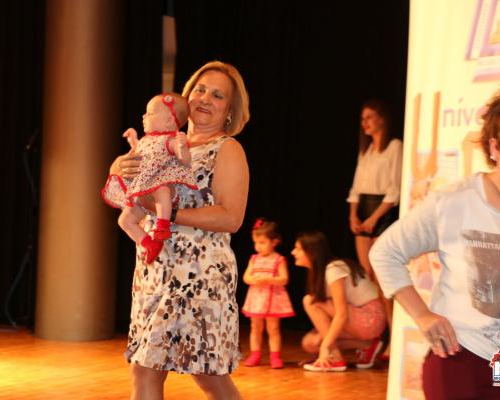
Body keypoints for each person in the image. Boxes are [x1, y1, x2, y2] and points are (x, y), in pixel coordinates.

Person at [369, 85, 500, 399]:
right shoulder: (455, 203)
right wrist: (422, 315)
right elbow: (385, 251)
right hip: (467, 357)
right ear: (495, 148)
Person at [107, 61, 250, 400]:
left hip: (199, 276)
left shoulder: (227, 149)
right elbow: (133, 196)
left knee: (207, 376)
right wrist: (119, 168)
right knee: (144, 368)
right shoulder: (162, 142)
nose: (205, 98)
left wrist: (170, 216)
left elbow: (231, 218)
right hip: (155, 271)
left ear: (229, 110)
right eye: (200, 89)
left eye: (217, 95)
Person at [102, 93, 197, 264]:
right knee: (124, 220)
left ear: (169, 121)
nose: (144, 116)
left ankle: (162, 225)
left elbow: (185, 160)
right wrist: (133, 140)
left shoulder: (170, 140)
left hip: (161, 188)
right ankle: (148, 244)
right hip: (144, 192)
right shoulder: (147, 140)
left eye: (150, 113)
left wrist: (182, 147)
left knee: (161, 189)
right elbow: (139, 153)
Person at [347, 99, 402, 357]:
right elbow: (356, 188)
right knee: (368, 276)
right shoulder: (366, 150)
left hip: (383, 213)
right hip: (364, 212)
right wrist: (353, 214)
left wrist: (373, 219)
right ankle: (376, 336)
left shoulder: (394, 147)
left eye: (369, 117)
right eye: (362, 118)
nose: (365, 123)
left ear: (382, 117)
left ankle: (393, 336)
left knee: (383, 280)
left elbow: (394, 190)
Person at [292, 231, 386, 372]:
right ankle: (366, 345)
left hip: (370, 317)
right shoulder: (320, 273)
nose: (293, 252)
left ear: (311, 251)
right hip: (355, 320)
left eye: (298, 248)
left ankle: (334, 357)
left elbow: (341, 313)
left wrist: (325, 347)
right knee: (310, 343)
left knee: (309, 301)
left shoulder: (334, 268)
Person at [241, 218, 295, 369]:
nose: (258, 247)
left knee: (273, 328)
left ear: (274, 242)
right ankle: (255, 354)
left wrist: (270, 279)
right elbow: (246, 277)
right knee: (256, 327)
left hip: (273, 299)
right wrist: (253, 279)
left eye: (262, 243)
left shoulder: (279, 259)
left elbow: (284, 279)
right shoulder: (254, 259)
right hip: (257, 298)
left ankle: (275, 356)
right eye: (256, 243)